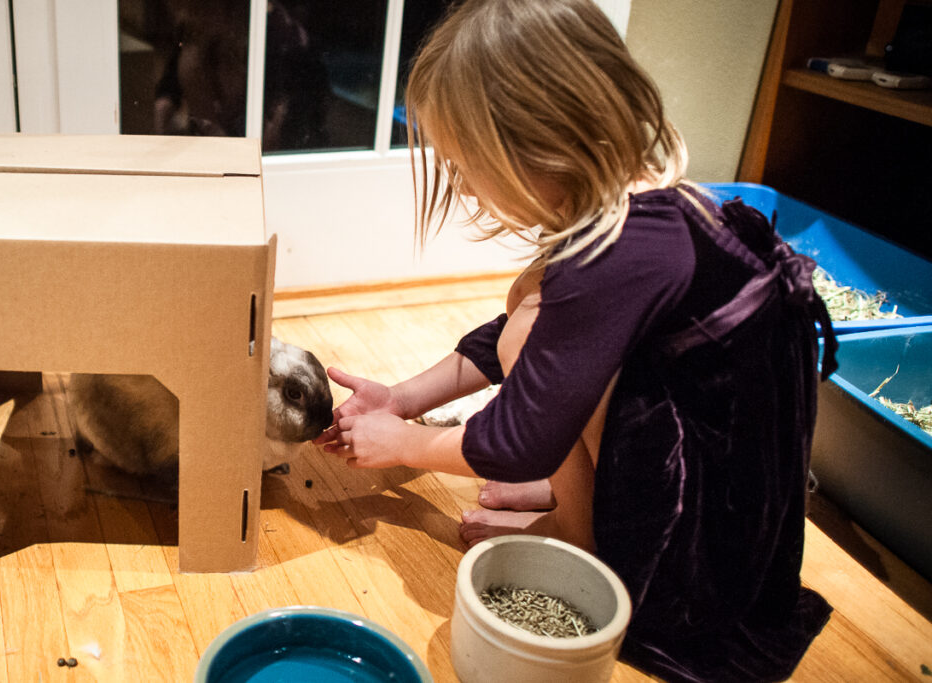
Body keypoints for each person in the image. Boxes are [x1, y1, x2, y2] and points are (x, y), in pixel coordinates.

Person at [315, 0, 836, 680]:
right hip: (713, 449)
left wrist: (404, 443)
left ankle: (585, 546)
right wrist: (403, 395)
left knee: (530, 325)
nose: (464, 185)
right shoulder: (636, 204)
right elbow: (526, 343)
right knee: (527, 313)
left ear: (537, 144)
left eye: (466, 163)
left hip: (710, 526)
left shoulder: (619, 252)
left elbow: (517, 436)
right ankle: (571, 500)